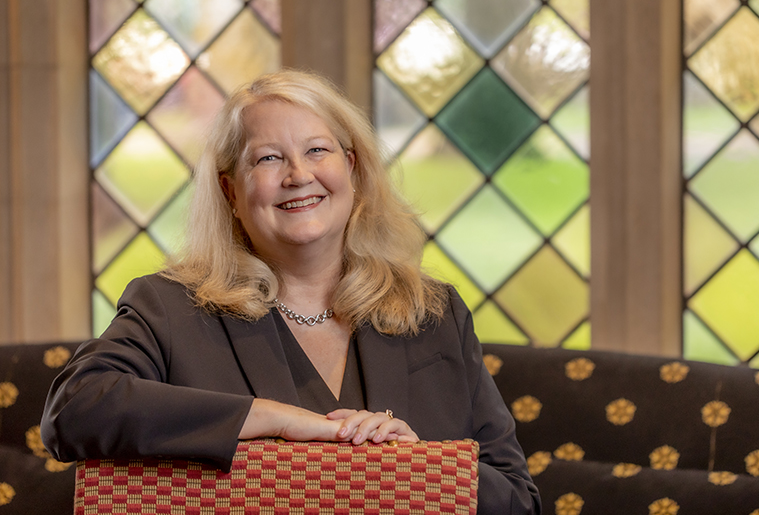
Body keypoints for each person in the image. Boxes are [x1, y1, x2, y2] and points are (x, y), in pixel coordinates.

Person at [41, 70, 541, 514]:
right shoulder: (170, 307)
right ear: (231, 191)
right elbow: (74, 410)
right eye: (269, 158)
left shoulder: (435, 314)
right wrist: (272, 421)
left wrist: (422, 472)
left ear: (352, 169)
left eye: (317, 150)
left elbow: (519, 499)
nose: (299, 175)